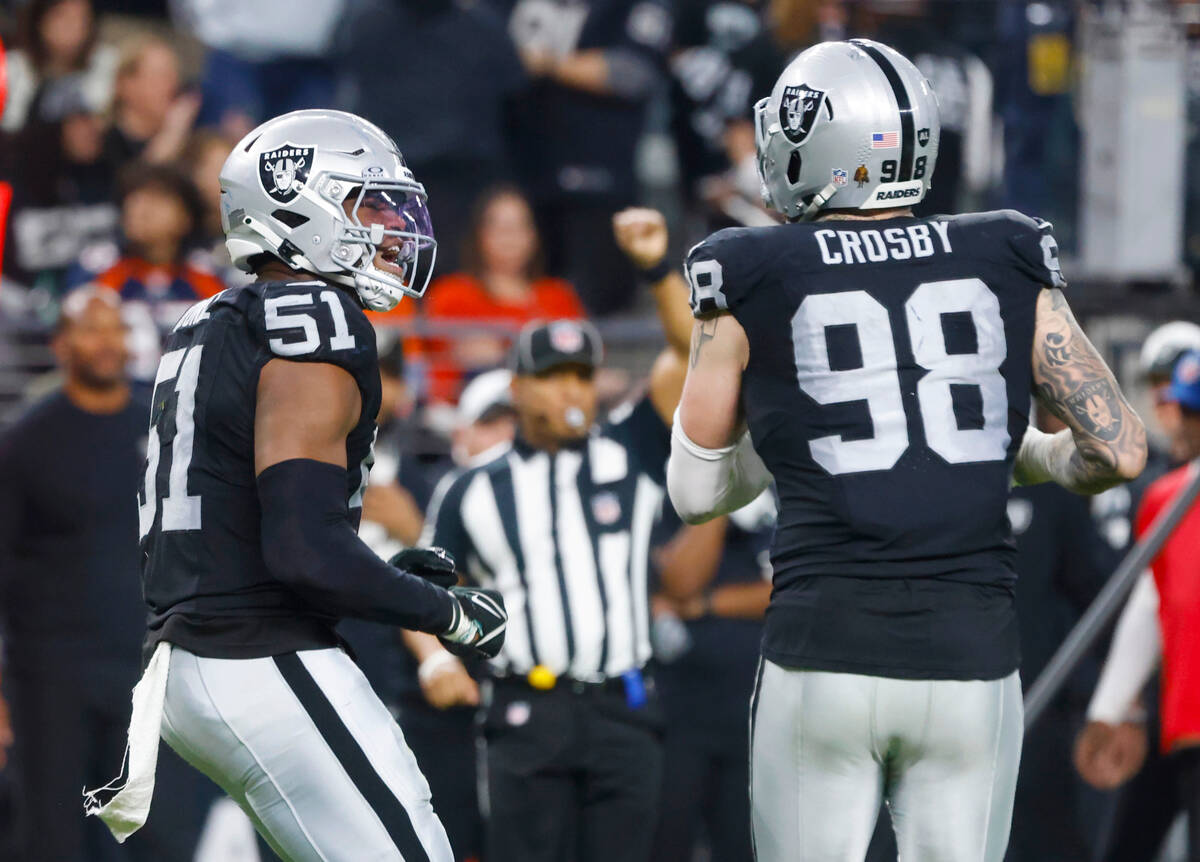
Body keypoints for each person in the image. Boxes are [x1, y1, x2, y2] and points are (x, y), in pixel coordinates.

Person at [667, 39, 1147, 862]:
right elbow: (1119, 450)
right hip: (972, 655)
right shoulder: (1004, 248)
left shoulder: (751, 265)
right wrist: (1025, 454)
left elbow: (695, 490)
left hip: (828, 652)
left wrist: (791, 437)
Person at [84, 109, 508, 862]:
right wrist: (443, 613)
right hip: (258, 658)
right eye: (367, 203)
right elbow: (303, 549)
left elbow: (262, 520)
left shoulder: (208, 318)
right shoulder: (316, 317)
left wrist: (373, 574)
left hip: (191, 662)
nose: (388, 226)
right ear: (296, 202)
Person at [421, 207, 693, 862]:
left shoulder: (630, 451)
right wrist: (434, 657)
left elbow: (693, 353)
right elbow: (422, 584)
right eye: (553, 376)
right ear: (518, 388)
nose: (572, 390)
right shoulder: (471, 486)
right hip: (525, 710)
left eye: (581, 374)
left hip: (622, 706)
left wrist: (656, 268)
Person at [0, 286, 214, 861]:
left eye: (114, 328)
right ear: (61, 344)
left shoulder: (166, 423)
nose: (105, 342)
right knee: (54, 840)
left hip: (147, 669)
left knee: (163, 836)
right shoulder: (24, 443)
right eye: (89, 329)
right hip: (50, 676)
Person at [1076, 349, 1200, 862]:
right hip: (1184, 724)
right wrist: (1110, 710)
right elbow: (1150, 607)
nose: (1186, 422)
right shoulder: (1168, 497)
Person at [502, 0, 673, 315]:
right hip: (519, 180)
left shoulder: (630, 9)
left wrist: (545, 63)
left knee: (596, 310)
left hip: (599, 187)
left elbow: (634, 74)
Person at [650, 492, 774, 862]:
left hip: (757, 708)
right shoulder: (671, 488)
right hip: (679, 708)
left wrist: (707, 605)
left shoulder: (785, 485)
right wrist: (718, 497)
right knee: (666, 842)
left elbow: (793, 591)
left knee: (743, 845)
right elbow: (681, 581)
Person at [418, 185, 586, 402]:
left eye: (520, 227)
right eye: (500, 228)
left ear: (533, 235)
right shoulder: (451, 293)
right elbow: (434, 368)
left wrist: (502, 354)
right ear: (479, 234)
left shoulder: (557, 296)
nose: (511, 239)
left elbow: (579, 360)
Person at [1, 0, 117, 133]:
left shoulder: (105, 62)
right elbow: (10, 125)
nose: (73, 26)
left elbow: (102, 117)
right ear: (40, 21)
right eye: (62, 16)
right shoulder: (12, 65)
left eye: (82, 19)